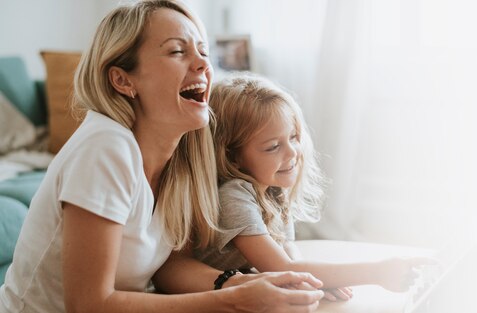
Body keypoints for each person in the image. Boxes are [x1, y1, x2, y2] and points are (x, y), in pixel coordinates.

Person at [0, 1, 325, 313]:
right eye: (177, 51)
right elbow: (89, 305)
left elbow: (172, 264)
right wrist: (234, 300)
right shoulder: (105, 147)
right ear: (123, 80)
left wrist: (243, 284)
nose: (202, 64)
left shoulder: (180, 153)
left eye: (203, 51)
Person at [198, 73, 436, 301]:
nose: (292, 152)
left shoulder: (271, 188)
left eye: (293, 137)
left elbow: (287, 250)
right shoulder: (234, 196)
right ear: (232, 157)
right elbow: (282, 267)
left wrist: (313, 280)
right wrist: (378, 272)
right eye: (273, 147)